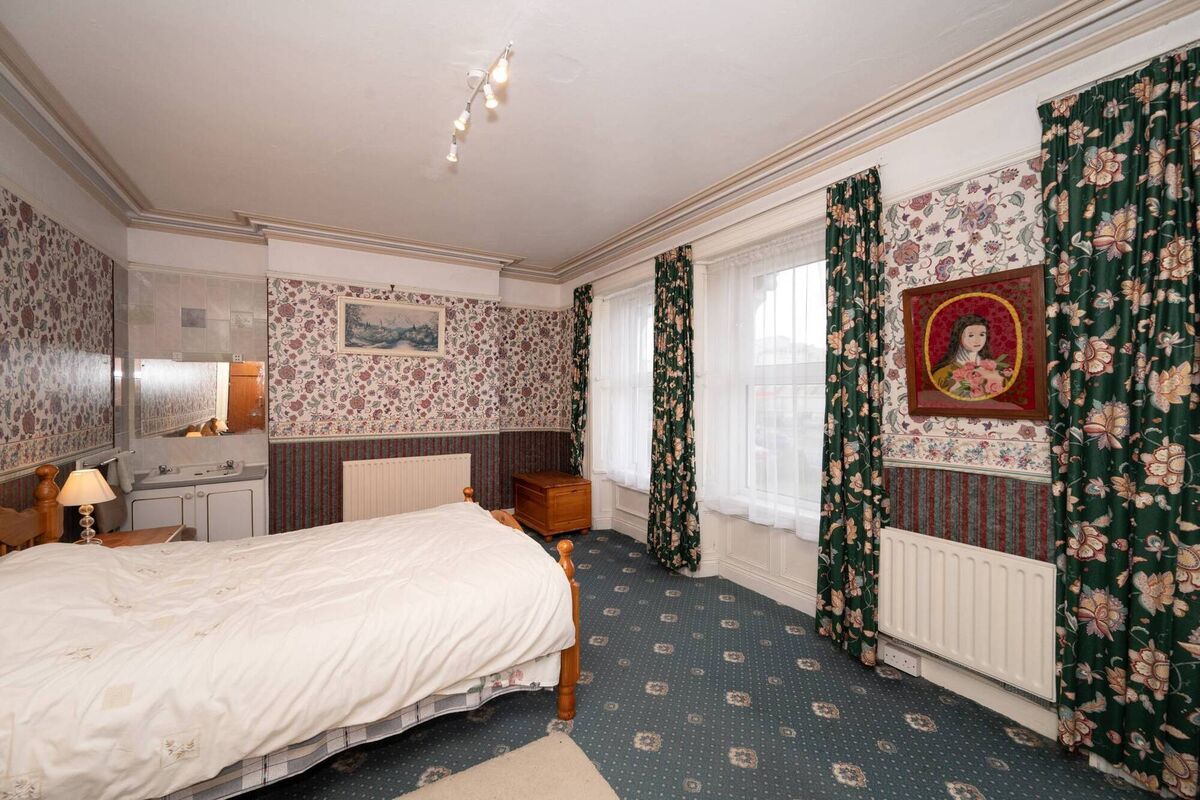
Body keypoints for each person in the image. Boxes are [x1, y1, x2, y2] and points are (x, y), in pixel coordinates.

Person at [930, 314, 1009, 399]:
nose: (977, 340)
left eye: (982, 334)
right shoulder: (942, 374)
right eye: (971, 335)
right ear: (959, 337)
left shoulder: (995, 370)